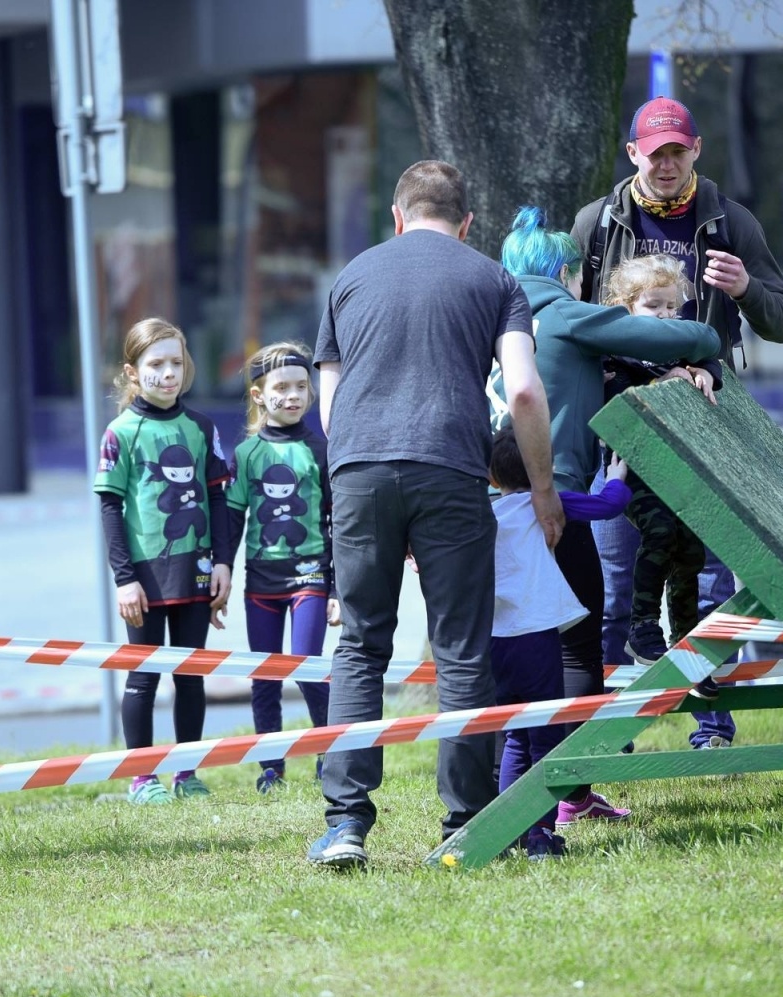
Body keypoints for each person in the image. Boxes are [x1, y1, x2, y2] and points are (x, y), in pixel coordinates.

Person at [308, 159, 565, 870]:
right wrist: (541, 488)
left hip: (357, 469)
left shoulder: (352, 276)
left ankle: (346, 825)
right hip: (451, 468)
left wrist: (367, 479)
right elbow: (522, 395)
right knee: (460, 647)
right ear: (467, 223)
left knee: (361, 644)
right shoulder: (495, 280)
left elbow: (328, 406)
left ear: (397, 216)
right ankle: (467, 823)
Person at [570, 97, 783, 749]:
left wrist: (747, 288)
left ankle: (712, 724)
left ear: (695, 150)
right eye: (655, 152)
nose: (667, 165)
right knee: (615, 587)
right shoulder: (599, 223)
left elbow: (782, 322)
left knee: (702, 582)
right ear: (633, 153)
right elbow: (569, 326)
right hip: (622, 431)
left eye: (678, 151)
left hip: (705, 432)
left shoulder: (728, 221)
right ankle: (608, 735)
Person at [491, 206, 720, 823]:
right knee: (576, 650)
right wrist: (705, 345)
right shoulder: (562, 311)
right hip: (553, 502)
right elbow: (675, 336)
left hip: (482, 510)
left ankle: (498, 795)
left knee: (505, 649)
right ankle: (566, 794)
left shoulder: (482, 319)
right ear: (563, 272)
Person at [95, 318, 232, 804]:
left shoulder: (202, 427)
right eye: (157, 364)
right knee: (144, 676)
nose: (169, 373)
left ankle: (185, 774)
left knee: (190, 673)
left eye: (176, 362)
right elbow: (110, 507)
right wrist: (124, 579)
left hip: (196, 571)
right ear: (133, 372)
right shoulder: (121, 432)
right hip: (145, 578)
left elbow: (219, 501)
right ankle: (142, 777)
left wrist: (222, 563)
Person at [486, 427, 632, 859]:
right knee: (543, 739)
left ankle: (507, 827)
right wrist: (617, 474)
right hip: (538, 641)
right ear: (542, 468)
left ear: (492, 477)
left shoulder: (483, 512)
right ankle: (540, 835)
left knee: (514, 737)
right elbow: (610, 506)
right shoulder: (548, 503)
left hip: (493, 642)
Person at [604, 254, 722, 702]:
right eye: (655, 307)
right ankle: (642, 626)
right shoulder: (616, 352)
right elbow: (618, 388)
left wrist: (703, 372)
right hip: (629, 471)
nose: (667, 317)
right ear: (626, 307)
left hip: (673, 473)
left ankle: (687, 647)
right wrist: (660, 381)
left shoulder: (679, 351)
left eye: (673, 308)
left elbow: (712, 354)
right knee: (659, 532)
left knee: (689, 550)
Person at [223, 341, 337, 794]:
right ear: (258, 395)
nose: (293, 396)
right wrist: (222, 572)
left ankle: (330, 753)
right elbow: (232, 522)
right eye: (281, 387)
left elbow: (339, 524)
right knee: (265, 677)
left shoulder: (323, 450)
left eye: (301, 387)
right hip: (260, 586)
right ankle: (271, 766)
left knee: (305, 665)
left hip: (310, 576)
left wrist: (337, 590)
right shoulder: (247, 454)